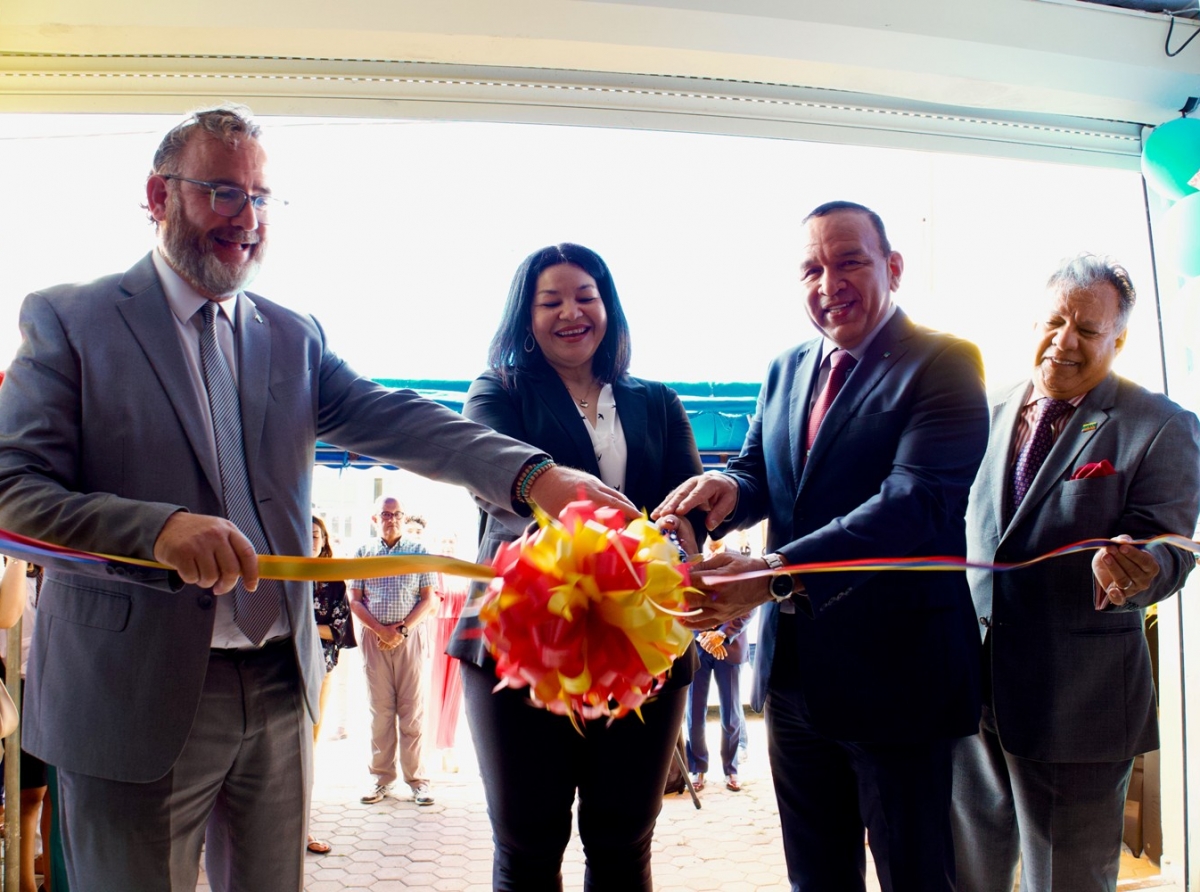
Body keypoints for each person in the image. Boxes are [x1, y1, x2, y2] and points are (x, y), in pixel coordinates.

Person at [0, 106, 636, 892]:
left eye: (262, 198)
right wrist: (156, 531)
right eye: (222, 192)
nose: (248, 218)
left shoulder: (291, 335)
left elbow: (397, 416)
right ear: (159, 196)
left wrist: (532, 475)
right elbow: (12, 493)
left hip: (277, 685)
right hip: (130, 691)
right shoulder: (71, 319)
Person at [655, 201, 990, 891]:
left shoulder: (947, 364)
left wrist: (776, 572)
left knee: (916, 875)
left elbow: (915, 506)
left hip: (900, 677)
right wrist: (722, 488)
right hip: (795, 678)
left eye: (849, 261)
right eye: (812, 267)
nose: (828, 282)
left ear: (892, 267)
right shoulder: (785, 368)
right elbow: (760, 472)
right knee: (816, 876)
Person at [447, 242, 704, 891]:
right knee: (528, 847)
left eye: (585, 297)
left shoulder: (659, 401)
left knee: (623, 844)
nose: (571, 312)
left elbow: (689, 509)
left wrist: (686, 543)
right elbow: (490, 486)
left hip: (642, 645)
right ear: (525, 318)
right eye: (551, 300)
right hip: (522, 644)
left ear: (608, 309)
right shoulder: (496, 392)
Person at [950, 254, 1200, 892]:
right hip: (972, 694)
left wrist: (1140, 571)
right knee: (970, 873)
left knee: (1069, 882)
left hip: (1078, 704)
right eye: (1055, 321)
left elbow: (1170, 546)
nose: (1065, 341)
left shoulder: (1161, 425)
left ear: (1118, 340)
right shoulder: (984, 407)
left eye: (1088, 331)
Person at [350, 496, 437, 807]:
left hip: (410, 637)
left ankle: (418, 781)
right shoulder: (363, 552)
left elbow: (429, 600)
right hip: (374, 639)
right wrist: (381, 630)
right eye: (385, 514)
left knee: (412, 711)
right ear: (375, 519)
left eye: (397, 513)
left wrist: (400, 631)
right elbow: (355, 600)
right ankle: (381, 778)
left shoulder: (419, 551)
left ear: (403, 517)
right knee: (380, 711)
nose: (391, 518)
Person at [0, 560, 53, 892]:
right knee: (28, 793)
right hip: (15, 682)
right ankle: (21, 884)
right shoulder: (10, 556)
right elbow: (7, 615)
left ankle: (52, 880)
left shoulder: (57, 557)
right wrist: (17, 557)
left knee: (54, 795)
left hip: (60, 682)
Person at [306, 514, 356, 855]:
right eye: (305, 534)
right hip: (275, 669)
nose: (311, 540)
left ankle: (302, 826)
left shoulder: (332, 580)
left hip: (318, 668)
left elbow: (338, 630)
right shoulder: (279, 574)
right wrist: (311, 626)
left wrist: (298, 626)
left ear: (325, 542)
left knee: (306, 749)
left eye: (316, 535)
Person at [685, 607, 752, 794]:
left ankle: (731, 769)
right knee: (694, 711)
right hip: (696, 646)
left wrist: (722, 634)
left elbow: (750, 605)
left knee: (731, 711)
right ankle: (697, 768)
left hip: (731, 644)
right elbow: (679, 603)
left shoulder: (738, 575)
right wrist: (701, 634)